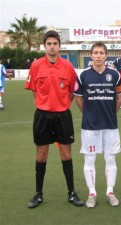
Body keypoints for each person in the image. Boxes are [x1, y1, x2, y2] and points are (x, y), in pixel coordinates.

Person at [25, 30, 84, 208]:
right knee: (41, 156)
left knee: (66, 155)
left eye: (55, 44)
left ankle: (71, 193)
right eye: (49, 44)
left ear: (59, 46)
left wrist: (64, 102)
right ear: (45, 46)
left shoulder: (67, 66)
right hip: (42, 116)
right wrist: (44, 102)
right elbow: (34, 88)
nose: (52, 46)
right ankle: (38, 194)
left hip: (62, 116)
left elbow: (73, 90)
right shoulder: (36, 65)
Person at [74, 41, 121, 208]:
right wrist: (87, 114)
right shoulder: (83, 75)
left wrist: (111, 113)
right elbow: (78, 99)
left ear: (106, 55)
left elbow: (120, 98)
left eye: (101, 53)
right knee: (90, 159)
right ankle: (92, 193)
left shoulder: (115, 75)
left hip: (110, 124)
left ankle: (110, 192)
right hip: (90, 126)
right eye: (95, 53)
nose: (98, 56)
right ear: (91, 55)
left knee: (110, 158)